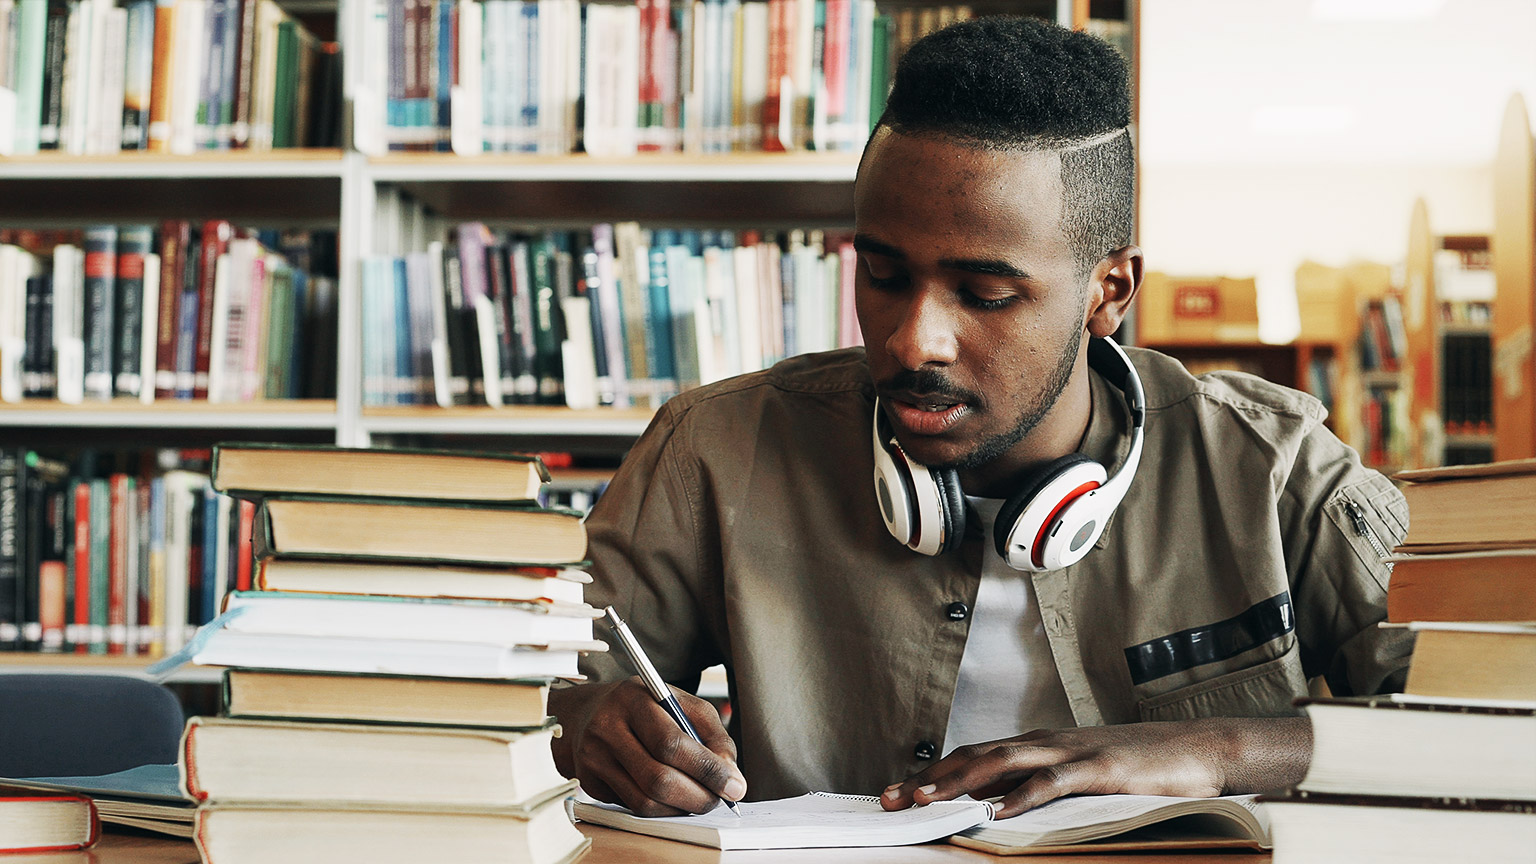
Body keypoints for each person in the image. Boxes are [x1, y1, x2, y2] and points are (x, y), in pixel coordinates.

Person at [549, 15, 1411, 821]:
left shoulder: (1273, 466)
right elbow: (528, 689)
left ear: (1108, 291)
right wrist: (587, 716)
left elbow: (1496, 725)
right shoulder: (716, 448)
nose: (914, 340)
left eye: (986, 294)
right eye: (883, 277)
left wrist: (1213, 750)